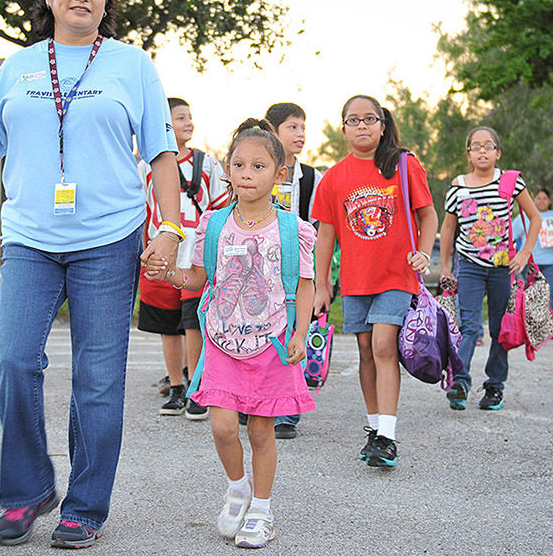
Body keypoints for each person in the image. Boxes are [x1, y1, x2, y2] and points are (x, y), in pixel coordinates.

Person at [0, 0, 182, 549]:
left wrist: (170, 231)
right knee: (14, 360)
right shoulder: (17, 66)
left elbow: (162, 154)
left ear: (105, 2)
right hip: (30, 237)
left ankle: (85, 507)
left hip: (109, 237)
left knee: (97, 379)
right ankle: (27, 489)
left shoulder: (131, 65)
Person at [148, 119, 316, 548]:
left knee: (261, 432)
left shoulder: (293, 229)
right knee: (223, 428)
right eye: (239, 164)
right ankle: (237, 487)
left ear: (280, 174)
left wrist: (300, 333)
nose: (246, 173)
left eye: (258, 166)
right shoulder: (214, 224)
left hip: (272, 344)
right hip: (222, 343)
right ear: (227, 170)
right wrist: (170, 274)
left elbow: (305, 284)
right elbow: (200, 278)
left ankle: (261, 508)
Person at [311, 95, 437, 469]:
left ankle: (388, 436)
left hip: (396, 274)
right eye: (354, 120)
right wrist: (322, 285)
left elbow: (427, 215)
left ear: (383, 125)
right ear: (344, 129)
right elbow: (325, 237)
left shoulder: (403, 165)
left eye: (370, 119)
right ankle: (375, 428)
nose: (362, 126)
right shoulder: (334, 178)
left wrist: (425, 253)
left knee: (384, 346)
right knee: (365, 351)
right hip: (354, 280)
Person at [138, 97, 230, 418]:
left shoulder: (208, 165)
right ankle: (176, 386)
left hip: (196, 256)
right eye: (180, 118)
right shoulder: (144, 166)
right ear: (163, 122)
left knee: (193, 322)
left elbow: (220, 208)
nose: (188, 123)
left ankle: (196, 384)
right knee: (167, 324)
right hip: (160, 256)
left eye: (190, 117)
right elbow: (139, 211)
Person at [440, 127, 542, 412]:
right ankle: (460, 381)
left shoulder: (511, 182)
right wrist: (446, 266)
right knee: (470, 326)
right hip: (469, 266)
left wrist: (524, 254)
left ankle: (495, 387)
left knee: (499, 329)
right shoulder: (458, 186)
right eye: (476, 146)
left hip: (502, 269)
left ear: (498, 153)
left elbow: (535, 218)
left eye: (488, 146)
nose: (482, 151)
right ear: (469, 154)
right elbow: (448, 227)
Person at [265, 102, 323, 440]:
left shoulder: (312, 177)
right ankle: (255, 400)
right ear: (272, 131)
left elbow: (317, 225)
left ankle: (287, 411)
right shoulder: (257, 168)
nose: (300, 134)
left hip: (294, 266)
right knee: (260, 329)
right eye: (292, 127)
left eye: (303, 127)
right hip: (259, 265)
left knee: (294, 331)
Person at [513, 188, 553, 317]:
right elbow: (511, 235)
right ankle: (532, 326)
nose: (542, 201)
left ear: (549, 201)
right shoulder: (526, 216)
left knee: (548, 292)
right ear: (533, 200)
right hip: (530, 262)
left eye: (545, 199)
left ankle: (548, 328)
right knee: (532, 294)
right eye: (538, 198)